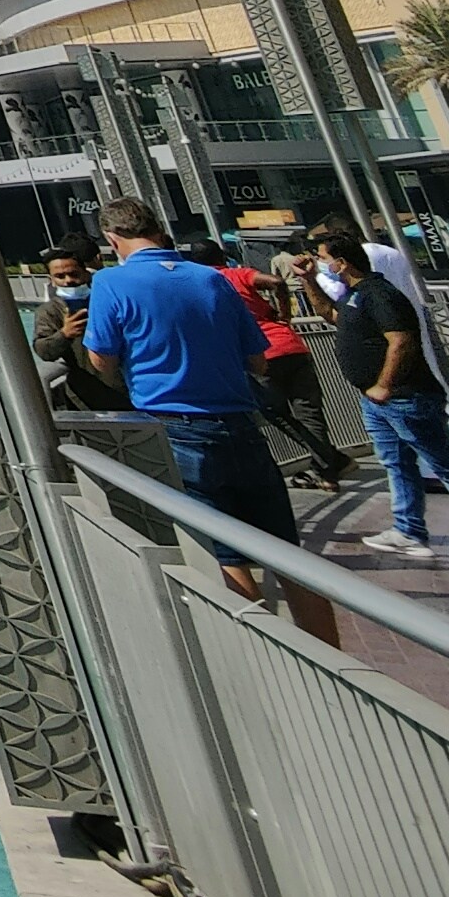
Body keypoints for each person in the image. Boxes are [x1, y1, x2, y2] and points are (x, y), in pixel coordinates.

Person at [78, 197, 337, 636]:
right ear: (159, 230)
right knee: (288, 553)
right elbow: (257, 358)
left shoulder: (110, 282)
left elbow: (101, 357)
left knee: (221, 556)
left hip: (174, 427)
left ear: (111, 239)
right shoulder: (212, 279)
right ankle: (332, 657)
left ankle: (258, 650)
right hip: (241, 422)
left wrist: (127, 376)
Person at [312, 228, 449, 567]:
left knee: (448, 467)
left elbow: (401, 341)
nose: (320, 263)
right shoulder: (354, 296)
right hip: (378, 403)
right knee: (396, 464)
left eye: (323, 259)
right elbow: (332, 316)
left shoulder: (380, 294)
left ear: (341, 263)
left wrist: (385, 385)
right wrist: (308, 281)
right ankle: (409, 530)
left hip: (406, 397)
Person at [196, 236, 353, 484]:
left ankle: (330, 462)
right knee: (309, 411)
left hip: (259, 355)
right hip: (290, 345)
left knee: (272, 412)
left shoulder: (202, 284)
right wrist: (283, 315)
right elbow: (277, 282)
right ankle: (328, 467)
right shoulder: (238, 275)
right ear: (222, 257)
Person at [31, 247, 127, 415]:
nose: (68, 281)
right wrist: (64, 335)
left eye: (74, 274)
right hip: (84, 397)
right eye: (60, 276)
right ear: (51, 280)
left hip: (127, 389)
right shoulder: (49, 311)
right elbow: (43, 351)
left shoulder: (108, 300)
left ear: (85, 273)